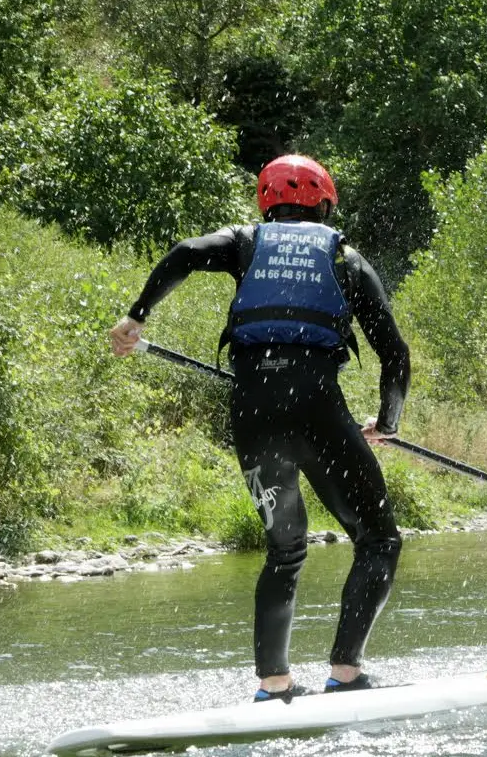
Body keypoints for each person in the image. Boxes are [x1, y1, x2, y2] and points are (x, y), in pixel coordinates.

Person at [109, 155, 412, 700]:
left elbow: (183, 254)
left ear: (266, 202)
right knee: (379, 538)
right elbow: (395, 353)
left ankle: (275, 685)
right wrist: (387, 421)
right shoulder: (345, 257)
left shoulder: (244, 241)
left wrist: (137, 316)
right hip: (318, 411)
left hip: (252, 418)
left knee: (285, 551)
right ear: (324, 202)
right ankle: (346, 673)